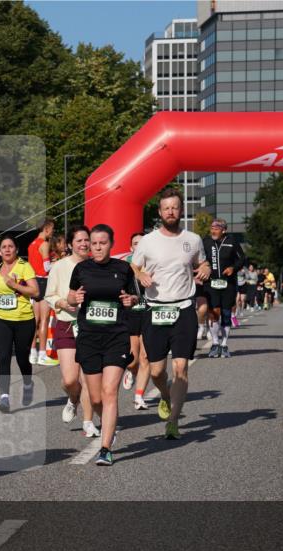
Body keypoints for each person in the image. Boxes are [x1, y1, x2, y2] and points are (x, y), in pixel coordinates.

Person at [132, 188, 210, 440]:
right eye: (166, 208)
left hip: (183, 309)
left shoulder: (193, 239)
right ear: (160, 212)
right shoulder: (147, 241)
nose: (170, 212)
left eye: (175, 207)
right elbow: (133, 264)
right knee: (156, 371)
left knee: (180, 368)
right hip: (155, 310)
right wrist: (140, 273)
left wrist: (206, 268)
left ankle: (173, 422)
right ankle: (165, 396)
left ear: (181, 210)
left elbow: (202, 262)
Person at [67, 224, 138, 465]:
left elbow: (135, 295)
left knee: (110, 392)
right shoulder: (81, 268)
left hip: (116, 336)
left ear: (111, 243)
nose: (97, 247)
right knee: (96, 398)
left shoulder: (123, 268)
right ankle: (109, 426)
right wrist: (73, 299)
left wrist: (131, 300)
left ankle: (105, 448)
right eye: (93, 243)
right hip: (89, 336)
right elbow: (70, 296)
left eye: (102, 242)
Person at [44, 225, 100, 438]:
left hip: (92, 326)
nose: (84, 244)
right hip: (66, 324)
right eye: (79, 241)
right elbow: (49, 295)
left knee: (87, 378)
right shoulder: (59, 267)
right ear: (70, 244)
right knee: (70, 380)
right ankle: (72, 398)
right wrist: (61, 303)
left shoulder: (97, 266)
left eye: (87, 240)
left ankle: (88, 422)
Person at [0, 235, 40, 413]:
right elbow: (0, 293)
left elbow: (35, 291)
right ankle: (4, 397)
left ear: (16, 250)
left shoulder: (24, 267)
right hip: (1, 319)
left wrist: (14, 284)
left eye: (11, 246)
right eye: (4, 247)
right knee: (3, 357)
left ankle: (27, 383)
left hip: (23, 320)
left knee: (22, 358)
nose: (8, 249)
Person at [201, 218, 246, 359]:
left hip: (228, 283)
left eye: (216, 228)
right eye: (212, 228)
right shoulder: (206, 241)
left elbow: (242, 258)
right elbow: (198, 257)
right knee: (213, 313)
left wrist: (234, 267)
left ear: (224, 230)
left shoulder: (232, 241)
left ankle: (224, 344)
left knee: (226, 313)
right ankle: (215, 343)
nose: (213, 230)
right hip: (211, 283)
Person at [121, 232, 151, 410]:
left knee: (145, 357)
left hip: (148, 313)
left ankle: (139, 396)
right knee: (133, 360)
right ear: (131, 247)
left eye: (142, 243)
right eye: (135, 244)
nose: (139, 246)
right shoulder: (125, 266)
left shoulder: (154, 264)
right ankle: (131, 372)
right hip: (131, 314)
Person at [28, 218, 55, 365]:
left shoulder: (32, 244)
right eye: (52, 229)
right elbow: (46, 268)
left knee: (34, 320)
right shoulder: (44, 244)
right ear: (46, 228)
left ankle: (32, 353)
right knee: (43, 319)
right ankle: (42, 354)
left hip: (33, 282)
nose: (52, 232)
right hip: (43, 282)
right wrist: (58, 264)